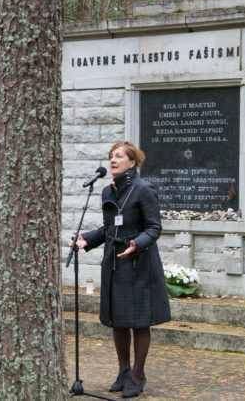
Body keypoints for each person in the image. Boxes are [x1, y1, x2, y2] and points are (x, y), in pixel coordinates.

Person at [71, 141, 170, 398]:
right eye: (111, 156)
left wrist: (137, 244)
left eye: (118, 156)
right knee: (118, 320)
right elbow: (109, 229)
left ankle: (137, 375)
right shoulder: (107, 191)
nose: (112, 160)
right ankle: (123, 371)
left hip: (138, 263)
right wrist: (87, 240)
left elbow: (154, 228)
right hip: (114, 262)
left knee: (138, 321)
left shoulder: (144, 190)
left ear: (132, 162)